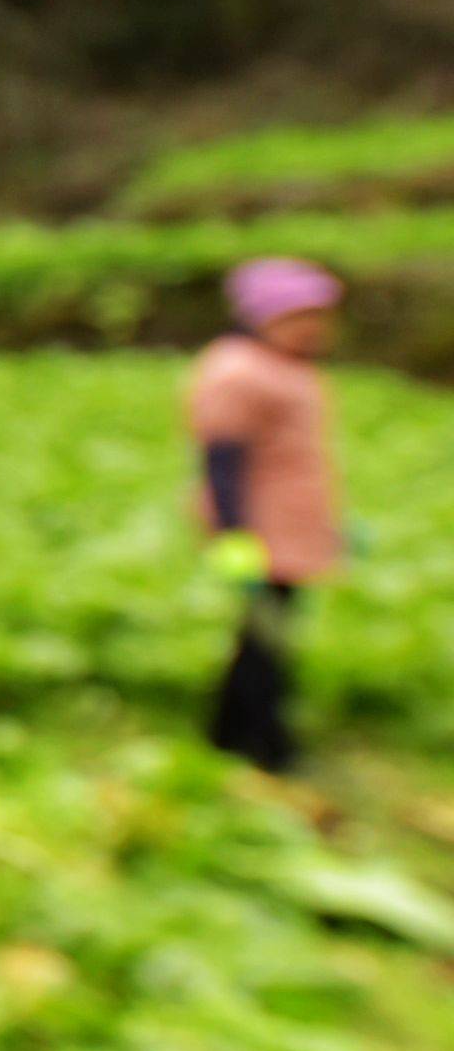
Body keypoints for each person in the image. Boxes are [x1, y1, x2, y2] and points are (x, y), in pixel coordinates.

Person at [187, 257, 346, 772]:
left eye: (319, 317)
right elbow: (220, 459)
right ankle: (265, 745)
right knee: (265, 643)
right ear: (262, 317)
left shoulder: (286, 366)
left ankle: (231, 737)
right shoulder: (236, 371)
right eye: (299, 317)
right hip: (261, 530)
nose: (313, 329)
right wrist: (233, 533)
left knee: (266, 639)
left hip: (293, 526)